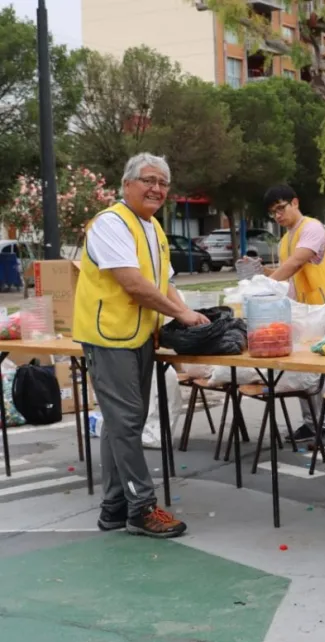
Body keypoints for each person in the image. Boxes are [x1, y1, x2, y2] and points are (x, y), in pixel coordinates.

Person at [73, 153, 209, 539]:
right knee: (128, 423)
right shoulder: (110, 224)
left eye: (164, 183)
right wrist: (181, 316)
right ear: (127, 184)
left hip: (138, 338)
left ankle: (114, 508)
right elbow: (132, 283)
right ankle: (141, 508)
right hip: (107, 337)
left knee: (122, 424)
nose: (157, 189)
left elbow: (163, 282)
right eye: (149, 180)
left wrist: (188, 314)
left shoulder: (152, 229)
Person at [264, 184, 325, 448]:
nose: (278, 216)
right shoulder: (284, 241)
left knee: (324, 373)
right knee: (305, 372)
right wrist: (264, 276)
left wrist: (268, 283)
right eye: (272, 213)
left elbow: (297, 262)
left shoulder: (312, 228)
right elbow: (290, 279)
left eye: (281, 208)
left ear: (295, 203)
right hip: (304, 314)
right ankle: (312, 424)